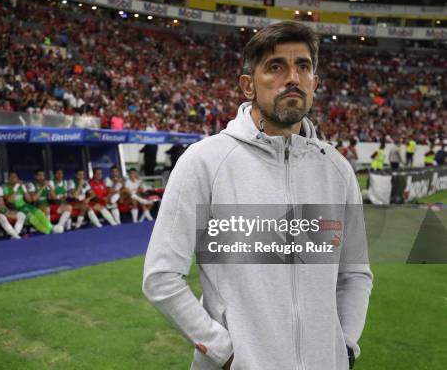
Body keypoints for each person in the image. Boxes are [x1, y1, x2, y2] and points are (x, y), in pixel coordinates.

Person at [143, 22, 372, 370]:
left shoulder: (337, 169)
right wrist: (226, 353)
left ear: (315, 83)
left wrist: (345, 345)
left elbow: (354, 274)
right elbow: (161, 277)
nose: (292, 77)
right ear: (248, 85)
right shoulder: (204, 162)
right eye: (276, 66)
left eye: (303, 67)